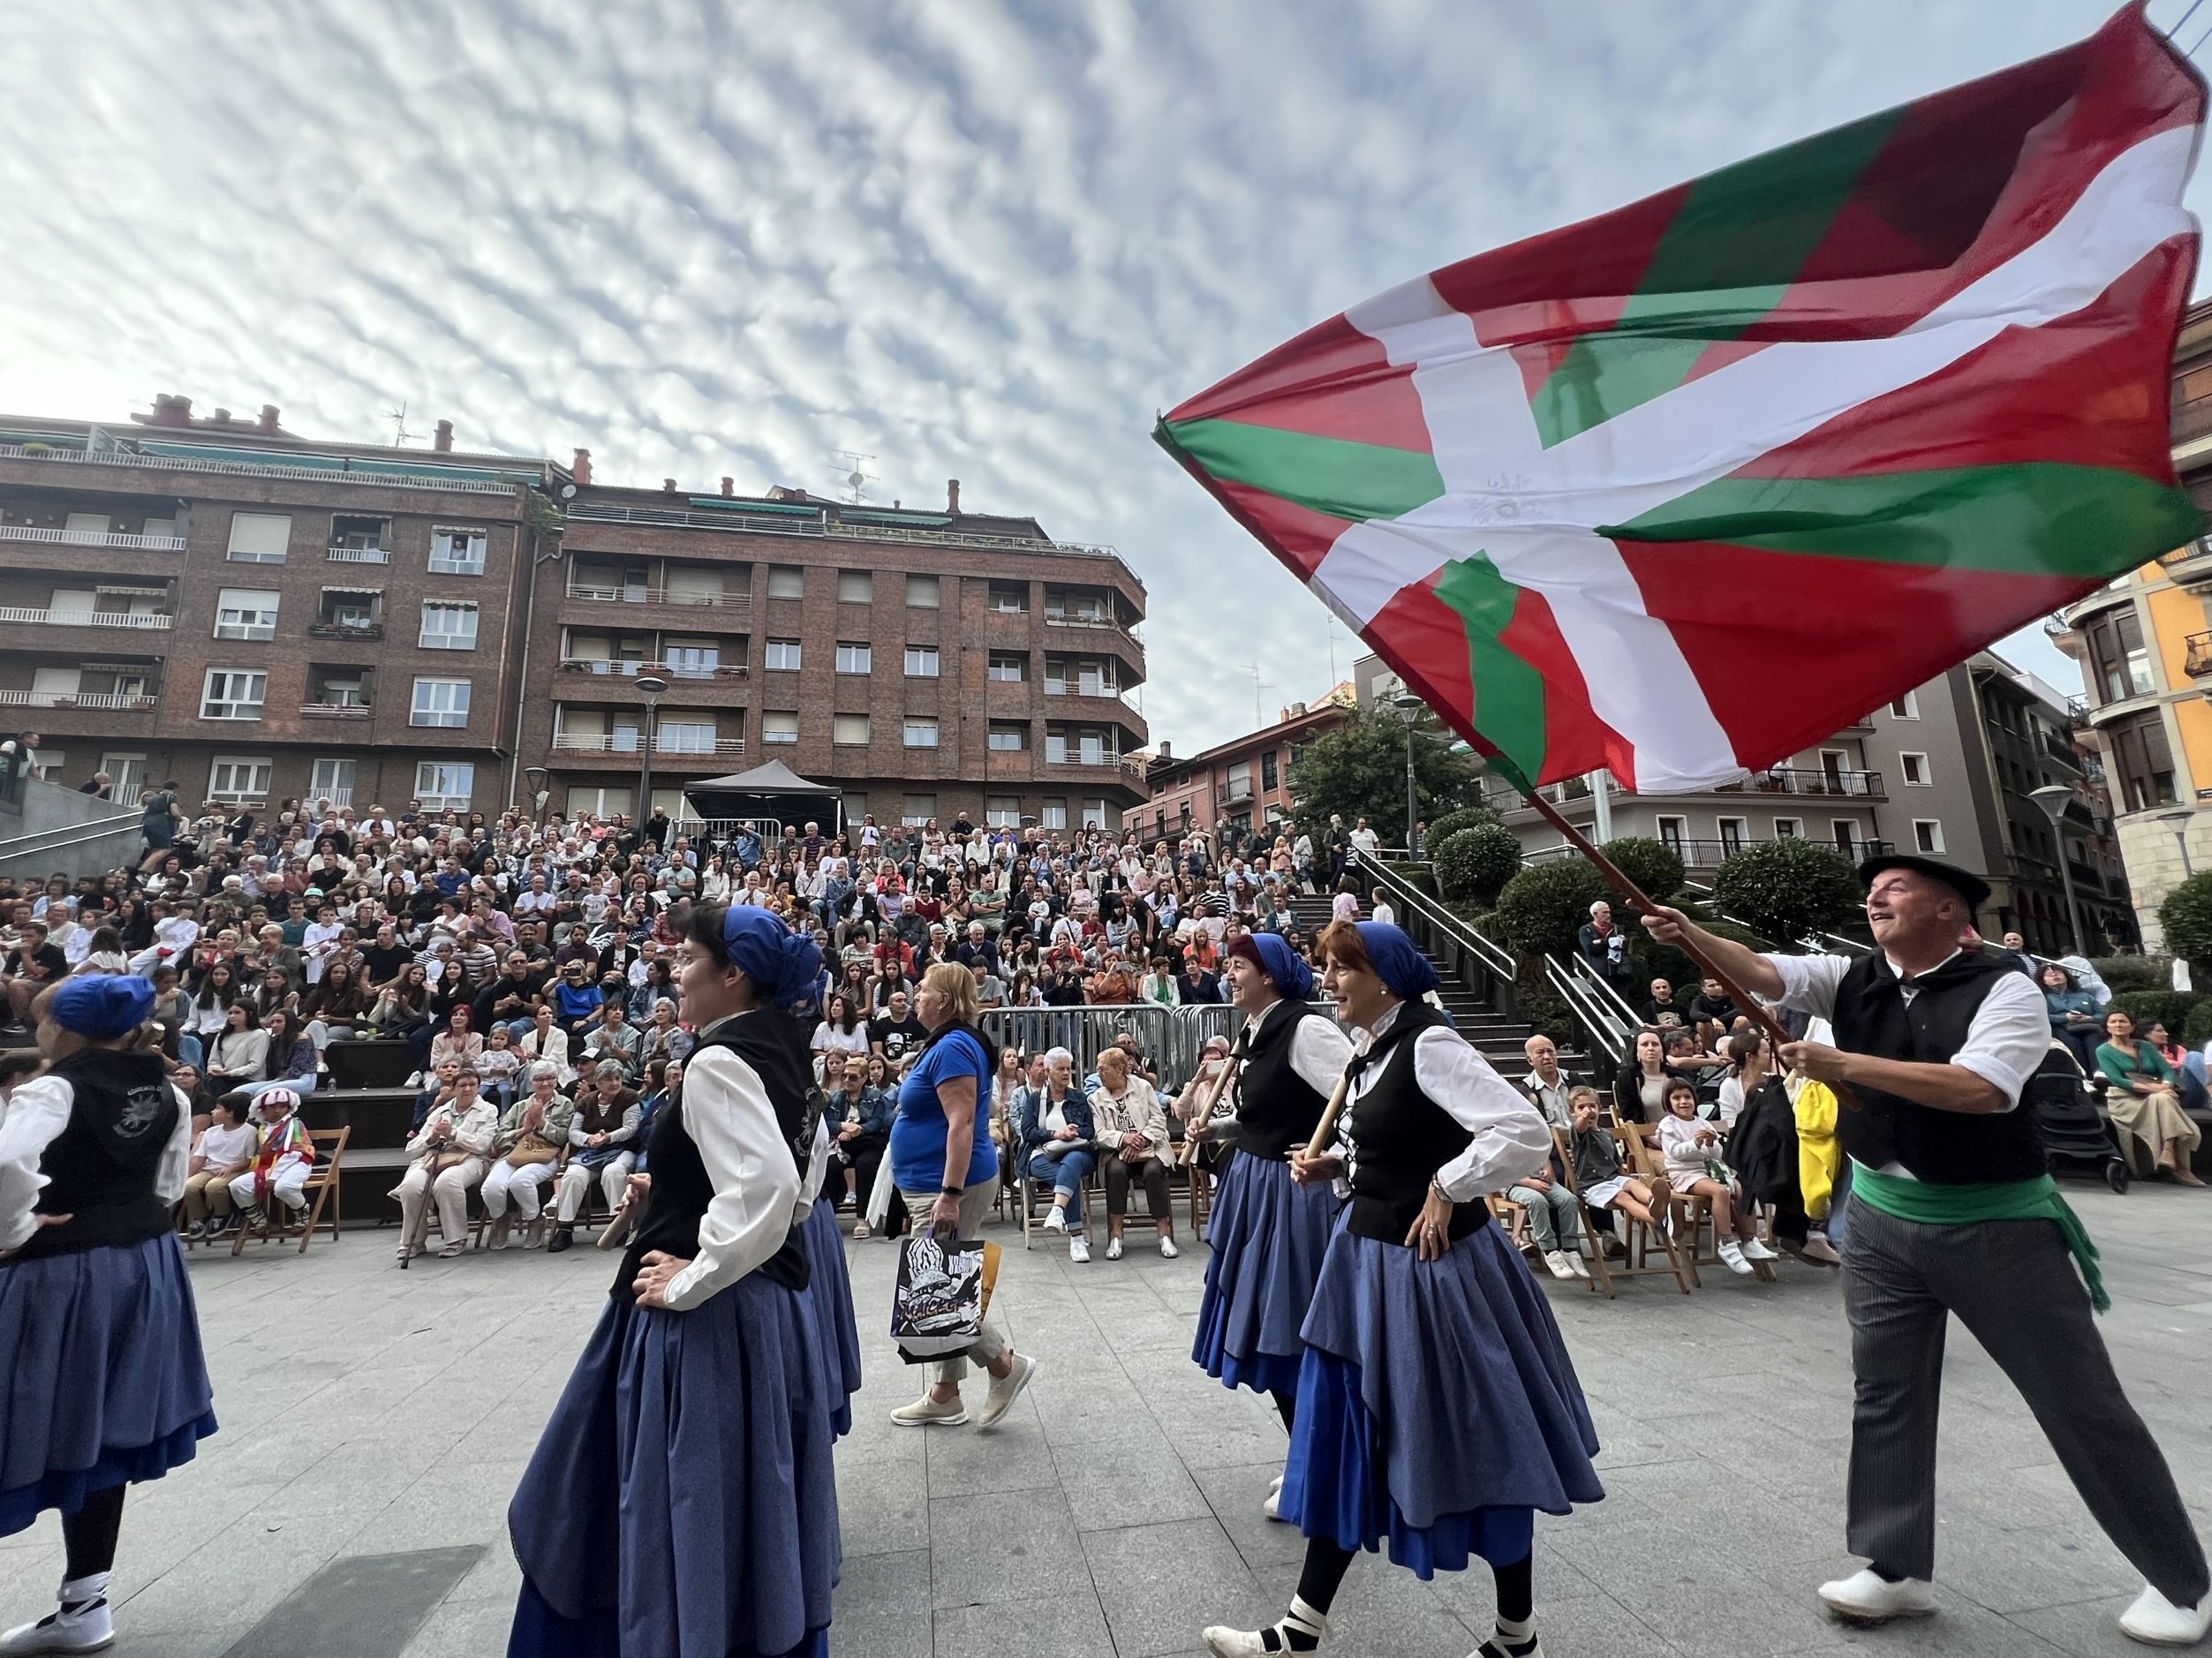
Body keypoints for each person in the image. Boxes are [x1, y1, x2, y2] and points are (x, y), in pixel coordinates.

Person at [1640, 854, 2212, 1644]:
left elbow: (1981, 1087)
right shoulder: (1851, 974)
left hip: (1994, 1222)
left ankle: (2180, 1581)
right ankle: (1891, 1565)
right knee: (1886, 1391)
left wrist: (1842, 1064)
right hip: (1879, 1216)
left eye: (1895, 889)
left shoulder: (2005, 985)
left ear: (1950, 910)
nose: (1874, 898)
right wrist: (1691, 936)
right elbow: (1766, 972)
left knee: (2076, 1401)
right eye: (1871, 892)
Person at [1202, 922, 1601, 1658]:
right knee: (1349, 1435)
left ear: (1382, 975)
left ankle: (1515, 1633)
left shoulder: (1429, 1042)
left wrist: (1448, 1186)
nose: (1327, 981)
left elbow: (1521, 1131)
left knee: (1479, 1442)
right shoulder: (1372, 1047)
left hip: (1431, 1276)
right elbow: (1390, 1139)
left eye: (1340, 969)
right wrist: (1340, 1168)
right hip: (1368, 1264)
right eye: (1322, 966)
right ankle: (1299, 1630)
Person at [505, 902, 840, 1657]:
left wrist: (694, 1273)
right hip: (764, 1308)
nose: (674, 973)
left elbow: (767, 1188)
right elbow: (805, 1177)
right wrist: (681, 1200)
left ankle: (677, 1628)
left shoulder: (720, 1058)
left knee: (673, 1497)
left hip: (708, 1322)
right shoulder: (784, 1048)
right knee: (748, 1496)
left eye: (688, 959)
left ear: (734, 974)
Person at [0, 976, 216, 1654]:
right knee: (103, 1429)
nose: (36, 1034)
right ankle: (85, 1601)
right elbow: (170, 1182)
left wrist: (13, 1225)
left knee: (29, 1412)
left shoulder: (53, 1087)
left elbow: (6, 1158)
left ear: (63, 1029)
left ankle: (84, 1606)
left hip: (60, 1271)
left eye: (41, 1022)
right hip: (143, 1264)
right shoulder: (171, 1092)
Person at [1189, 930, 1354, 1521]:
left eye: (1236, 966)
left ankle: (1322, 1467)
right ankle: (1310, 1455)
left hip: (1293, 1198)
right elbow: (1269, 1108)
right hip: (1257, 1189)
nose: (1228, 974)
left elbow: (1355, 1101)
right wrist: (1223, 1130)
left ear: (1270, 975)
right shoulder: (1255, 1031)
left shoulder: (1305, 1028)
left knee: (1290, 1332)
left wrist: (1336, 1159)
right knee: (1271, 1331)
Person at [886, 961, 1038, 1429]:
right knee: (943, 1282)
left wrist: (949, 1194)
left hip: (948, 1185)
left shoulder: (952, 1047)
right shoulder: (948, 1043)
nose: (916, 996)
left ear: (946, 1002)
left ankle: (1004, 1366)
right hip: (934, 1182)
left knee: (936, 1293)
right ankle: (945, 1394)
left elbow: (963, 1123)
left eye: (924, 990)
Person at [1654, 1078, 1771, 1275]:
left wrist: (1709, 1144)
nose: (1683, 1102)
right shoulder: (1668, 1124)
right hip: (1685, 1173)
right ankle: (1726, 1241)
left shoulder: (1702, 1122)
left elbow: (1718, 1153)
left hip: (1709, 1170)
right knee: (1720, 1192)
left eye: (1687, 1097)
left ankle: (1750, 1239)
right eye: (1676, 1098)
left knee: (1746, 1188)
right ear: (1668, 1103)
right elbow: (1675, 1152)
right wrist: (1696, 1144)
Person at [390, 1067, 496, 1260]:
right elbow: (412, 1149)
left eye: (472, 1085)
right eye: (462, 1085)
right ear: (453, 1089)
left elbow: (483, 1144)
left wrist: (453, 1134)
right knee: (410, 1186)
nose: (467, 1089)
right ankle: (412, 1243)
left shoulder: (488, 1110)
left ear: (479, 1087)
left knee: (446, 1182)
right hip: (433, 1158)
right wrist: (432, 1138)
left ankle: (456, 1240)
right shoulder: (440, 1111)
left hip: (471, 1158)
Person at [2094, 1009, 2206, 1187]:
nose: (2118, 1025)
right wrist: (2151, 1089)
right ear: (2107, 1027)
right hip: (2126, 1098)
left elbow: (2167, 1071)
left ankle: (2168, 1151)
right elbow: (2116, 1079)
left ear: (2132, 1026)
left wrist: (2166, 1085)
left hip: (2158, 1093)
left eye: (2122, 1021)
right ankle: (2181, 1167)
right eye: (2113, 1022)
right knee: (2163, 1099)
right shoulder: (2103, 1050)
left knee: (2162, 1100)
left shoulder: (2145, 1046)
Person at [1089, 1044, 1177, 1259]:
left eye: (1103, 1069)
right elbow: (1098, 1133)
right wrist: (1123, 1139)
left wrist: (1141, 1140)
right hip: (1117, 1151)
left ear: (1119, 1069)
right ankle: (1116, 1235)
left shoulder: (1143, 1087)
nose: (1099, 1074)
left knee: (1153, 1171)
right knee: (1116, 1172)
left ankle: (1164, 1234)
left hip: (1151, 1147)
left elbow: (1158, 1119)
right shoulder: (1096, 1098)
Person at [1016, 1047, 1098, 1262]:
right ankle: (1076, 1239)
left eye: (1069, 1069)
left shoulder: (1078, 1097)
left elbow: (1090, 1131)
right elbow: (1028, 1133)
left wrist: (1074, 1132)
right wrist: (1055, 1134)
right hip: (1041, 1154)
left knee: (1071, 1163)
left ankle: (1059, 1213)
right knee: (1068, 1177)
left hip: (1077, 1152)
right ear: (1048, 1071)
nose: (1065, 1073)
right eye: (1060, 1069)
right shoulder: (1035, 1100)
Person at [480, 1063, 573, 1248]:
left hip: (546, 1155)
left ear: (556, 1080)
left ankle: (535, 1219)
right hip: (516, 1153)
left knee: (520, 1181)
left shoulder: (565, 1105)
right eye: (539, 1079)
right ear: (531, 1082)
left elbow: (565, 1137)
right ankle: (501, 1219)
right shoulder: (520, 1106)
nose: (545, 1083)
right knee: (491, 1187)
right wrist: (522, 1131)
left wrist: (542, 1124)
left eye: (550, 1078)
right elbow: (499, 1138)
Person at [230, 1086, 315, 1240]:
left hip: (297, 1164)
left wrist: (274, 1177)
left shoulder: (294, 1124)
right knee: (237, 1186)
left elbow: (292, 1153)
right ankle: (258, 1218)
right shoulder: (262, 1127)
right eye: (273, 1107)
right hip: (268, 1167)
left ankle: (302, 1212)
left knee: (283, 1187)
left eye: (282, 1107)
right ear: (262, 1109)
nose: (277, 1111)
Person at [180, 1096, 256, 1240]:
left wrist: (231, 1168)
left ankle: (223, 1214)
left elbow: (248, 1160)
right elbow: (200, 1157)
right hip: (209, 1170)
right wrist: (189, 1175)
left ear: (230, 1113)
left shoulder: (249, 1131)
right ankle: (201, 1217)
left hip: (235, 1170)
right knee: (188, 1187)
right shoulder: (211, 1132)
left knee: (214, 1187)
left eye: (218, 1108)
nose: (212, 1111)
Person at [2041, 962, 2103, 1074]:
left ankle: (2099, 1074)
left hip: (2088, 1026)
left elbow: (2103, 1015)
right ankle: (2083, 1075)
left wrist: (2090, 1018)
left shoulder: (2085, 996)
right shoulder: (2043, 998)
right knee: (2071, 1041)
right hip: (2061, 1028)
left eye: (2058, 972)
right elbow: (2042, 1017)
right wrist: (2065, 1018)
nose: (2055, 975)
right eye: (2049, 975)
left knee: (2094, 1036)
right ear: (2044, 981)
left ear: (2066, 976)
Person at [1612, 1028, 1669, 1124]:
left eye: (1655, 1044)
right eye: (1644, 1045)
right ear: (1636, 1051)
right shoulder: (1627, 1078)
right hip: (1647, 1135)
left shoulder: (1675, 1075)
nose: (1650, 1048)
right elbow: (1630, 1116)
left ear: (1662, 1050)